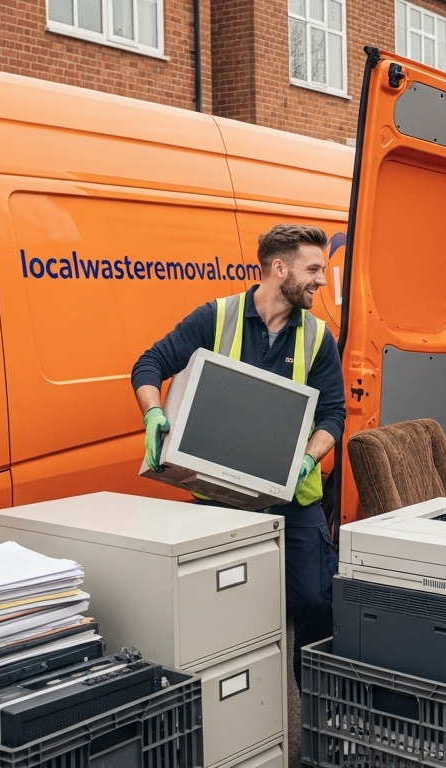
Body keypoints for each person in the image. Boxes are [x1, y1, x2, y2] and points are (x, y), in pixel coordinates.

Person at [131, 224, 345, 678]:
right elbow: (150, 363)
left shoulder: (317, 336)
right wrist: (152, 412)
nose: (322, 281)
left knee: (315, 601)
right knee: (223, 609)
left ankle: (321, 713)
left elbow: (333, 414)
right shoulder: (217, 317)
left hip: (294, 500)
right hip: (220, 497)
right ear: (279, 268)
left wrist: (308, 458)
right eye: (313, 269)